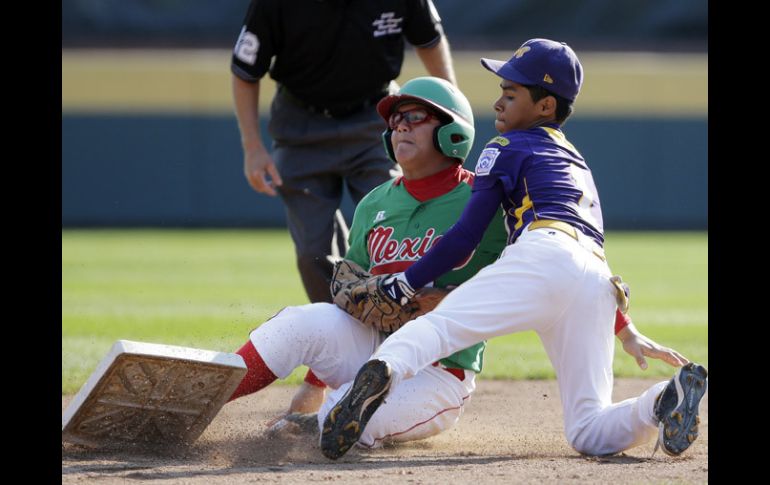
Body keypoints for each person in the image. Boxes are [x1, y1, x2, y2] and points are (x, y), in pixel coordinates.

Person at [227, 76, 689, 452]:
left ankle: (319, 425)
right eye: (394, 122)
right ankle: (201, 398)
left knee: (340, 421)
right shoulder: (373, 204)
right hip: (372, 344)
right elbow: (352, 295)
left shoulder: (484, 197)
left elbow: (553, 265)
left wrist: (622, 325)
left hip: (438, 372)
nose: (399, 128)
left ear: (453, 132)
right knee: (297, 322)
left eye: (415, 117)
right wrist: (316, 380)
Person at [320, 39, 708, 460]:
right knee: (587, 429)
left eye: (510, 94)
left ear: (544, 107)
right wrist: (626, 330)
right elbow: (581, 257)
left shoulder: (505, 147)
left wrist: (404, 283)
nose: (498, 103)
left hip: (541, 255)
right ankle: (659, 401)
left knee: (441, 326)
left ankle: (384, 371)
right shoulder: (577, 161)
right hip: (597, 281)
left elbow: (466, 235)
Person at [230, 0, 457, 305]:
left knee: (398, 225)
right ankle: (338, 331)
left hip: (376, 117)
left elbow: (429, 40)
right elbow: (245, 72)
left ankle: (407, 330)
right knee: (314, 252)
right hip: (301, 125)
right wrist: (252, 147)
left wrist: (452, 110)